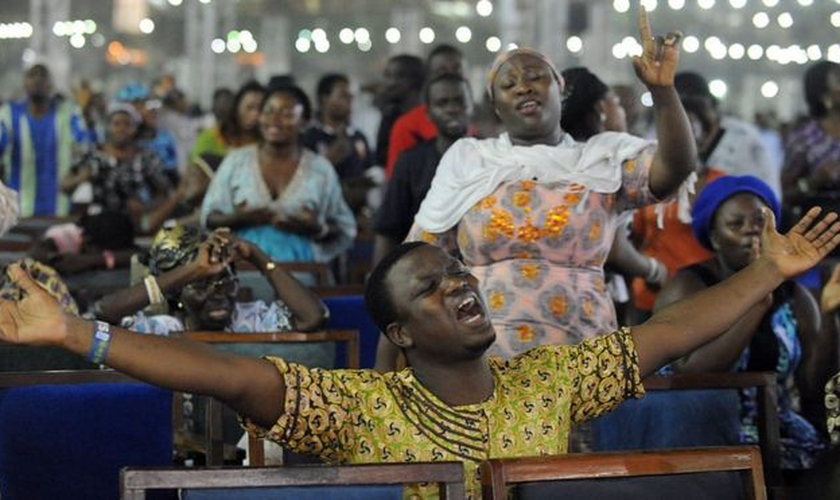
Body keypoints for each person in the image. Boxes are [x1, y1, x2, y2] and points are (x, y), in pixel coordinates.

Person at [0, 206, 837, 498]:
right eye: (433, 288)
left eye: (460, 274)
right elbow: (230, 375)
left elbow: (668, 335)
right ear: (398, 334)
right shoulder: (360, 407)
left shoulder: (547, 380)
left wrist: (767, 271)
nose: (461, 285)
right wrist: (79, 335)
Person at [385, 9, 696, 363]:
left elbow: (676, 167)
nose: (523, 86)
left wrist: (663, 92)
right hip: (485, 360)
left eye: (535, 77)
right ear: (496, 106)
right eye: (509, 84)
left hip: (584, 353)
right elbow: (417, 261)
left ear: (559, 90)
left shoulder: (599, 159)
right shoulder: (470, 160)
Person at [654, 175, 833, 470]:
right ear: (714, 238)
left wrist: (827, 311)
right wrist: (759, 296)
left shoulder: (795, 295)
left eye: (761, 223)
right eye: (736, 224)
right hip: (702, 427)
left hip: (777, 428)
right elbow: (694, 374)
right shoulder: (688, 287)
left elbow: (813, 386)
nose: (752, 231)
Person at [201, 85, 356, 265]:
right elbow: (209, 217)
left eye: (287, 114)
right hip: (242, 273)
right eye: (268, 111)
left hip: (302, 274)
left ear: (304, 121)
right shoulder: (237, 162)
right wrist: (241, 218)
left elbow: (344, 228)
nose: (275, 120)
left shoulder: (320, 169)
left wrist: (316, 229)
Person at [373, 73, 473, 264]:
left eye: (459, 101)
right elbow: (388, 230)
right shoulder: (411, 162)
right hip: (425, 268)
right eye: (442, 103)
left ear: (471, 107)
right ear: (428, 113)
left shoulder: (492, 156)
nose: (452, 109)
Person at [60, 103, 174, 235]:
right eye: (116, 124)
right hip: (93, 225)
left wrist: (145, 208)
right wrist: (81, 178)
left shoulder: (146, 157)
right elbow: (64, 186)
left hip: (131, 227)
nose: (121, 129)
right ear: (108, 127)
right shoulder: (91, 154)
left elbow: (165, 193)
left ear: (134, 128)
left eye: (127, 124)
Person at [674, 71, 781, 200]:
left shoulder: (744, 137)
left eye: (696, 111)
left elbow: (768, 188)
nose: (691, 123)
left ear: (711, 106)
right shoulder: (669, 139)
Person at [0, 64, 90, 216]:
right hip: (17, 214)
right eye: (32, 75)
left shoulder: (69, 114)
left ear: (52, 84)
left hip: (60, 211)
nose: (38, 80)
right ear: (24, 82)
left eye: (43, 75)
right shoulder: (8, 115)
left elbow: (88, 155)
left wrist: (76, 179)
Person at [384, 44, 465, 178]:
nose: (450, 76)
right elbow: (396, 182)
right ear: (429, 77)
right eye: (441, 71)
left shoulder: (484, 120)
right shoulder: (407, 126)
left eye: (457, 69)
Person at [302, 73, 374, 215]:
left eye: (350, 96)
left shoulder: (358, 137)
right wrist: (329, 159)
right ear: (324, 99)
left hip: (356, 214)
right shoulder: (308, 138)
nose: (349, 100)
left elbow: (370, 168)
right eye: (342, 95)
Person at [782, 61, 840, 224]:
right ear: (823, 95)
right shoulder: (805, 138)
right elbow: (785, 194)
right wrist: (814, 181)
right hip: (823, 232)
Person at [191, 81, 264, 163]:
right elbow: (196, 168)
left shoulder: (265, 145)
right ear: (236, 107)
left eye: (261, 109)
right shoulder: (209, 137)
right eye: (249, 107)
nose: (255, 114)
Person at [373, 54, 426, 168]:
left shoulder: (431, 118)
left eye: (391, 76)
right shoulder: (389, 116)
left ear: (413, 80)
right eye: (386, 76)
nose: (387, 83)